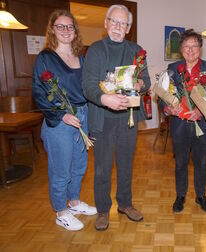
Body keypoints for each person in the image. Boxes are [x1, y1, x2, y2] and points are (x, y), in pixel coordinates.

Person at [82, 4, 151, 231]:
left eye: (123, 23)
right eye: (114, 21)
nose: (118, 27)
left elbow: (147, 81)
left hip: (128, 119)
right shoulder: (95, 50)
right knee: (102, 168)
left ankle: (125, 204)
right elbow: (88, 86)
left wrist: (141, 84)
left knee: (125, 165)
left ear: (129, 28)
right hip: (103, 118)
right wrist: (104, 98)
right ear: (106, 23)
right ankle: (103, 209)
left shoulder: (136, 50)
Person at [32, 9, 97, 231]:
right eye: (60, 26)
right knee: (61, 169)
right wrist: (62, 115)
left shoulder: (81, 56)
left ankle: (75, 203)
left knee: (79, 164)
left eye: (69, 26)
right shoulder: (46, 58)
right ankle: (61, 211)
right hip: (60, 120)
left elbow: (88, 86)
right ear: (52, 30)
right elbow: (39, 92)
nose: (66, 30)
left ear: (75, 30)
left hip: (82, 115)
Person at [158, 29, 206, 213]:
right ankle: (180, 195)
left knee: (201, 163)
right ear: (181, 50)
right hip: (180, 124)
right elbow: (161, 95)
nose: (190, 50)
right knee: (180, 162)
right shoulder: (173, 69)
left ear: (200, 49)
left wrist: (202, 111)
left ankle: (201, 196)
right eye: (186, 47)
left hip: (202, 124)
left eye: (194, 46)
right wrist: (167, 108)